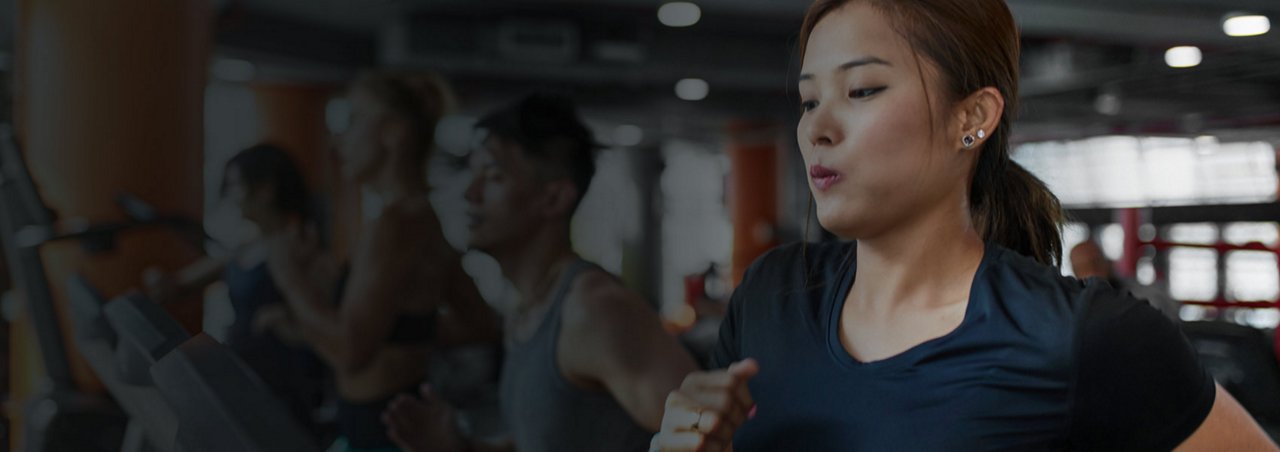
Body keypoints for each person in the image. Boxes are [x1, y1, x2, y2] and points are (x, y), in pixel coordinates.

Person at [651, 0, 1279, 450]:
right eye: (809, 99)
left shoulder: (1082, 336)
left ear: (971, 118)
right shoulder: (772, 296)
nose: (817, 127)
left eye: (862, 90)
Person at [379, 94, 699, 452]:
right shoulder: (531, 306)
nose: (471, 192)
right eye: (473, 174)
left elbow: (712, 433)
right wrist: (463, 448)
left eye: (493, 176)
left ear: (553, 199)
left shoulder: (593, 309)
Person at [261, 71, 501, 452]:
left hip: (382, 428)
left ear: (394, 132)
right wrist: (399, 328)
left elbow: (351, 352)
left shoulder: (396, 223)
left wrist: (291, 279)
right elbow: (478, 324)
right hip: (383, 420)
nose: (339, 140)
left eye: (354, 120)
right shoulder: (422, 218)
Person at [143, 143, 323, 428]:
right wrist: (158, 280)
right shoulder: (248, 244)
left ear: (265, 189)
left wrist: (289, 323)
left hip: (280, 389)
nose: (231, 197)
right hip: (240, 375)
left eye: (236, 186)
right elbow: (175, 286)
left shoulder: (302, 243)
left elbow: (323, 322)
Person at [1070, 240, 1181, 320]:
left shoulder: (1144, 295)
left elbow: (1167, 312)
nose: (1093, 270)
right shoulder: (1077, 313)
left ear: (1107, 262)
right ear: (1075, 273)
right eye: (1084, 267)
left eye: (1096, 262)